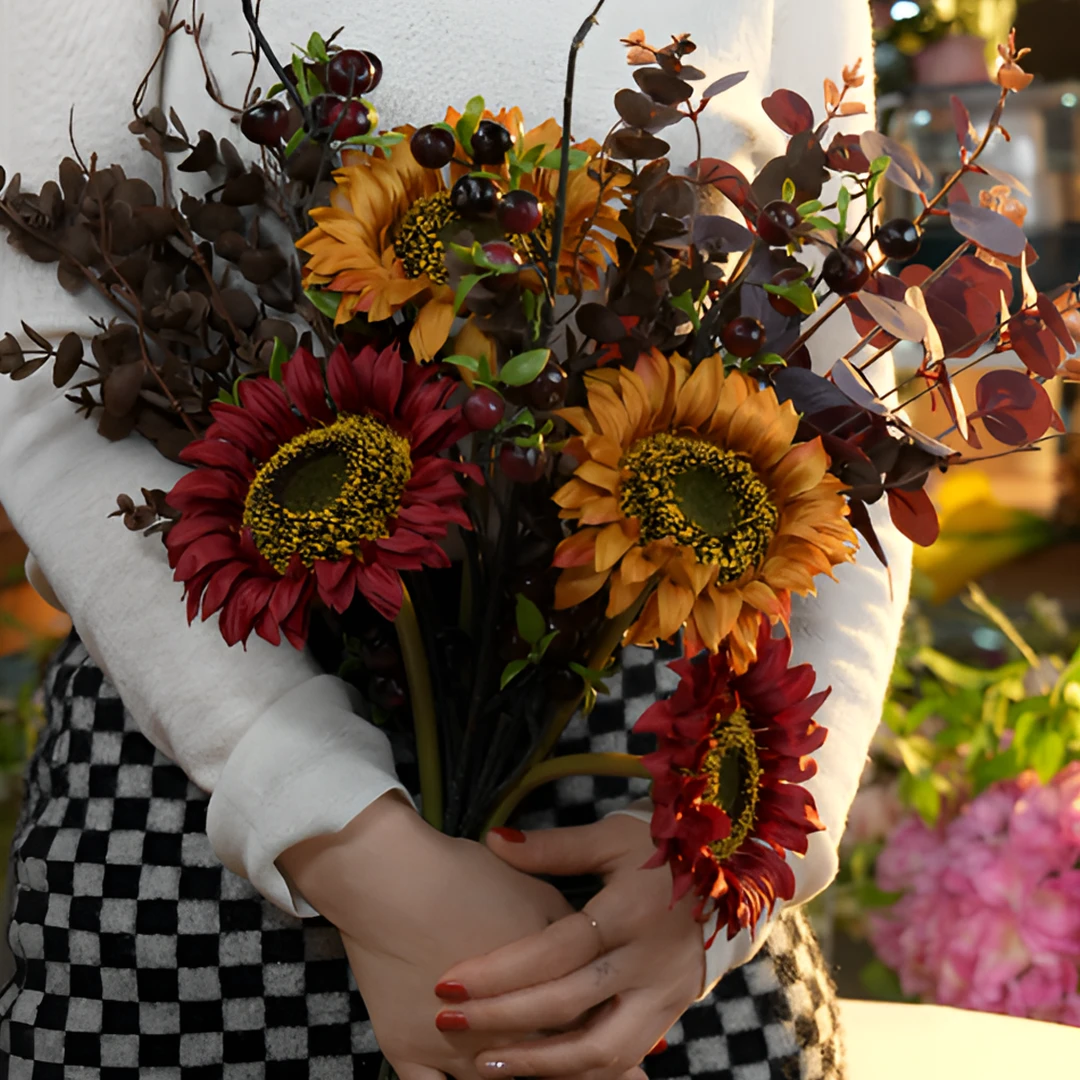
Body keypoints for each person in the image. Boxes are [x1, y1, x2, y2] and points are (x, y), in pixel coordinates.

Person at [0, 1, 912, 1077]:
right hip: (206, 767)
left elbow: (847, 406)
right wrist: (353, 847)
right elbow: (56, 379)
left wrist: (754, 849)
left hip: (658, 847)